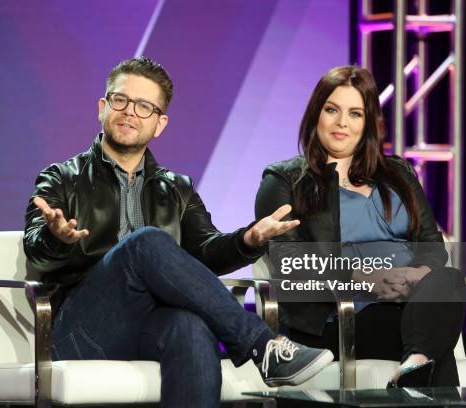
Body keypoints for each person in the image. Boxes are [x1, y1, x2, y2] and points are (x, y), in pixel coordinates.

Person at [23, 57, 333, 408]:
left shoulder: (177, 188)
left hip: (148, 326)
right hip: (81, 332)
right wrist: (56, 238)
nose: (129, 113)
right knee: (146, 243)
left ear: (160, 123)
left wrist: (248, 240)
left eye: (144, 107)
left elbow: (205, 252)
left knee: (190, 328)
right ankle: (262, 346)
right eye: (120, 100)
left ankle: (261, 349)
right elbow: (36, 248)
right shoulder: (61, 177)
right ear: (102, 107)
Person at [255, 65, 466, 393]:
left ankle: (415, 364)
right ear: (316, 115)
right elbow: (291, 265)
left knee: (448, 281)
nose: (342, 122)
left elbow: (432, 246)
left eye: (355, 113)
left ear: (368, 123)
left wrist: (412, 276)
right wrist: (369, 280)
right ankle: (417, 364)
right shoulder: (284, 180)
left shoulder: (397, 173)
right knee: (428, 342)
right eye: (332, 110)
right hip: (339, 316)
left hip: (407, 302)